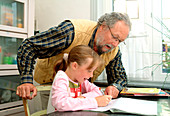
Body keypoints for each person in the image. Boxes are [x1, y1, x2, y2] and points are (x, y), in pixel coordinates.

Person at [16, 12, 131, 108]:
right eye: (114, 37)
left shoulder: (113, 51)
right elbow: (29, 46)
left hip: (79, 89)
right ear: (103, 26)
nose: (115, 44)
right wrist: (26, 80)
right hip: (51, 84)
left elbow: (120, 77)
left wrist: (115, 87)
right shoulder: (71, 32)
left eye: (120, 41)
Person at [49, 45, 112, 111]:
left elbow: (98, 91)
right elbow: (61, 103)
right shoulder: (61, 78)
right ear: (75, 66)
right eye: (89, 71)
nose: (91, 75)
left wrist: (83, 98)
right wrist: (94, 102)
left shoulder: (80, 79)